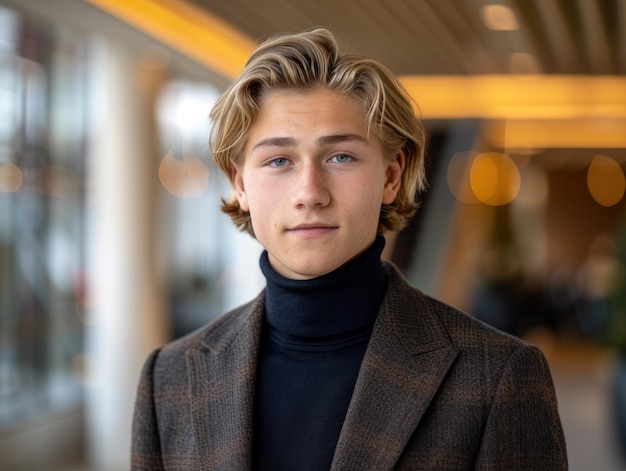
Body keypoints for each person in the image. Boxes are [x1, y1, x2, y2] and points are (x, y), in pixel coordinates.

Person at [131, 28, 568, 470]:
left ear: (391, 177)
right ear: (240, 184)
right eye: (278, 160)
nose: (310, 193)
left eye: (340, 156)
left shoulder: (498, 376)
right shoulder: (170, 379)